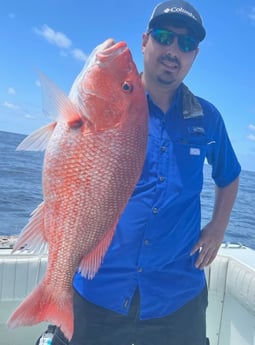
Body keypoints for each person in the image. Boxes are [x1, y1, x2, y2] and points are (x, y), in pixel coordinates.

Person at [48, 1, 241, 345]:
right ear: (145, 41)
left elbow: (228, 175)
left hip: (176, 296)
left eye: (185, 44)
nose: (173, 50)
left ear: (194, 55)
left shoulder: (208, 119)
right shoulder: (108, 106)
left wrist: (217, 228)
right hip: (99, 287)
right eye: (165, 37)